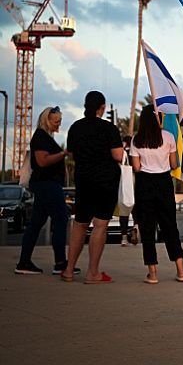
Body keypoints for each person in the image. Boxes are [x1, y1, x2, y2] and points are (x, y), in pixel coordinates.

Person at [62, 91, 123, 283]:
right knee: (100, 225)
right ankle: (93, 273)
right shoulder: (109, 128)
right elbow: (118, 156)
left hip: (83, 180)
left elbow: (71, 153)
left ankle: (69, 270)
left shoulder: (75, 127)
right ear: (102, 107)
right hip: (105, 182)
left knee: (80, 224)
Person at [15, 107, 78, 275]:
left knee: (36, 223)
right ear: (47, 121)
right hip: (47, 184)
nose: (58, 125)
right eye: (56, 121)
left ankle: (24, 261)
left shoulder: (44, 137)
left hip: (44, 184)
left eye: (59, 121)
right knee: (61, 218)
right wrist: (63, 153)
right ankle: (60, 262)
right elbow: (42, 161)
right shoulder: (41, 137)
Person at [130, 105, 183, 284]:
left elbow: (136, 167)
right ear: (157, 119)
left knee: (147, 228)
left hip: (144, 184)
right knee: (170, 226)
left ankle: (153, 273)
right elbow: (175, 164)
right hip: (163, 182)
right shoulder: (168, 137)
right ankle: (181, 270)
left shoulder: (136, 140)